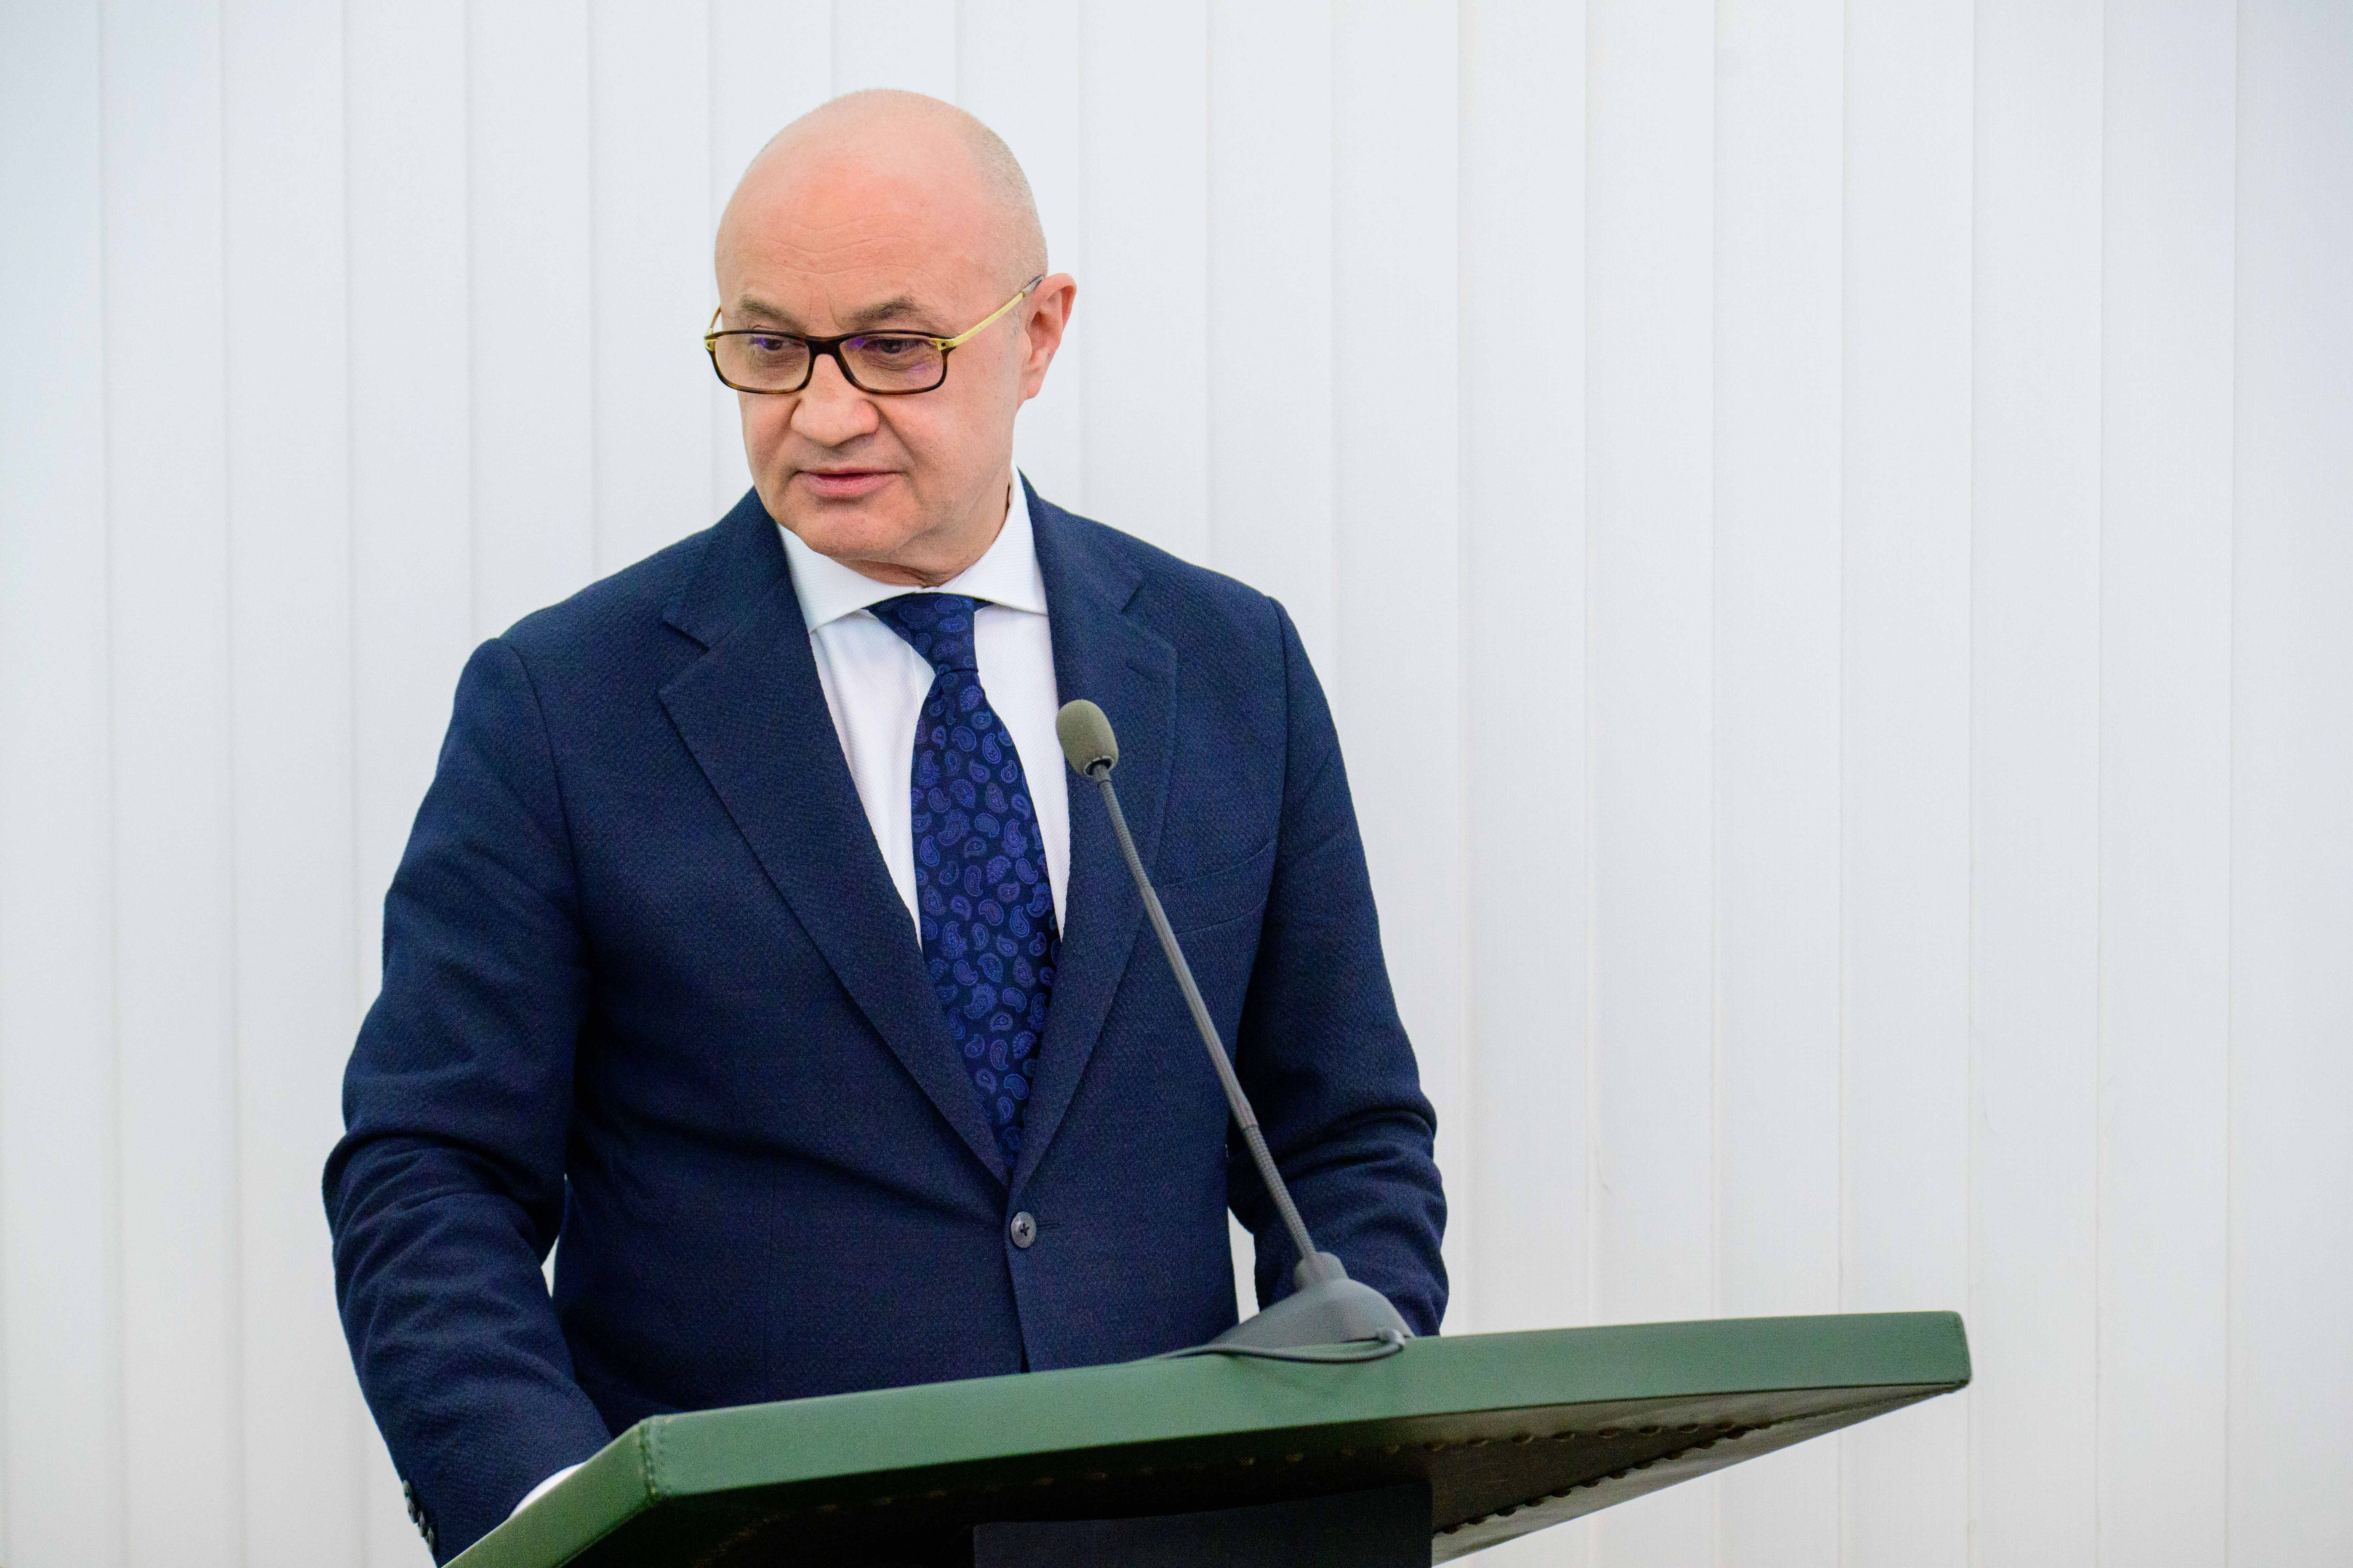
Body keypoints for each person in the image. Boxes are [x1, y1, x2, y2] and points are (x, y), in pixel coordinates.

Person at [324, 88, 1446, 1563]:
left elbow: (1343, 1136)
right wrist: (557, 1520)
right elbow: (430, 1173)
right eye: (769, 347)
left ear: (1038, 332)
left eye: (896, 347)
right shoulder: (560, 706)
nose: (824, 411)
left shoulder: (1231, 666)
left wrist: (1339, 1429)